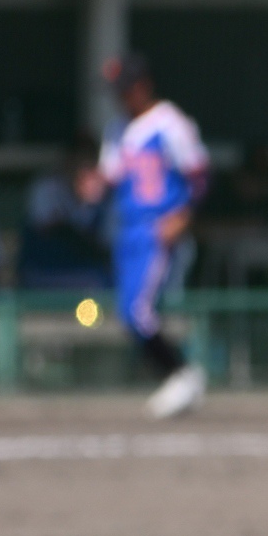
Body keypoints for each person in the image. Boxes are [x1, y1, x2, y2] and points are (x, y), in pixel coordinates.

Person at [81, 54, 209, 419]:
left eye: (125, 89)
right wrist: (93, 184)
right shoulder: (117, 130)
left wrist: (183, 215)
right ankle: (178, 376)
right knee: (128, 312)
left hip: (158, 228)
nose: (120, 98)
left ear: (143, 86)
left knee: (139, 311)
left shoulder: (170, 123)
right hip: (128, 230)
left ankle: (182, 374)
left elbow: (199, 175)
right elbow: (111, 175)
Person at [18, 135, 112, 289]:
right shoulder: (46, 188)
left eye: (90, 162)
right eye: (80, 159)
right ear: (69, 159)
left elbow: (104, 244)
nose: (84, 168)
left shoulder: (102, 195)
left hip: (87, 276)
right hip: (44, 273)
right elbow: (45, 230)